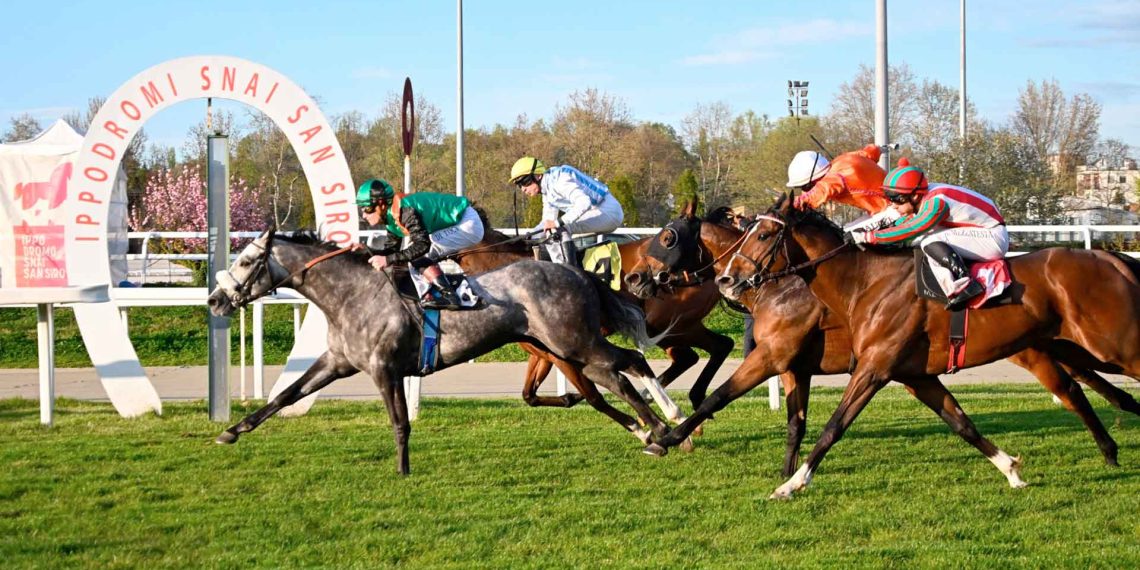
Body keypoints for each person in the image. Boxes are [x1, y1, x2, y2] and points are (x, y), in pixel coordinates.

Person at [845, 161, 1009, 311]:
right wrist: (860, 231)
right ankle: (951, 290)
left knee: (928, 241)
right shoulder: (924, 197)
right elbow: (898, 222)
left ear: (915, 196)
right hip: (981, 232)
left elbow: (912, 229)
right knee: (924, 242)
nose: (894, 205)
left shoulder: (936, 202)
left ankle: (966, 282)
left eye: (897, 200)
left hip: (993, 237)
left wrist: (868, 237)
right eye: (890, 198)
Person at [356, 178, 485, 309]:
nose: (364, 215)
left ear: (381, 204)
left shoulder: (404, 211)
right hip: (461, 223)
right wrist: (365, 251)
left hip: (467, 224)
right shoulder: (391, 217)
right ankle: (438, 293)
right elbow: (391, 251)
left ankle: (450, 297)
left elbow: (422, 246)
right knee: (413, 254)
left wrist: (387, 259)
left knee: (417, 254)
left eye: (367, 208)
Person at [509, 156, 624, 264]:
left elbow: (584, 202)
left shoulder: (559, 181)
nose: (523, 189)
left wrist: (557, 223)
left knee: (557, 230)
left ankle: (567, 273)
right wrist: (528, 236)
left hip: (607, 211)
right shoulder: (547, 189)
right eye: (520, 185)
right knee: (551, 229)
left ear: (538, 175)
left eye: (525, 182)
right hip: (597, 211)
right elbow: (547, 222)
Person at [788, 144, 899, 231]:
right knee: (844, 230)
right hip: (889, 207)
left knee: (848, 237)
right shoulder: (843, 159)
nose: (804, 191)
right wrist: (878, 148)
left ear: (814, 179)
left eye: (805, 187)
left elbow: (821, 191)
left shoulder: (834, 177)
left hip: (894, 210)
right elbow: (869, 153)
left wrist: (793, 203)